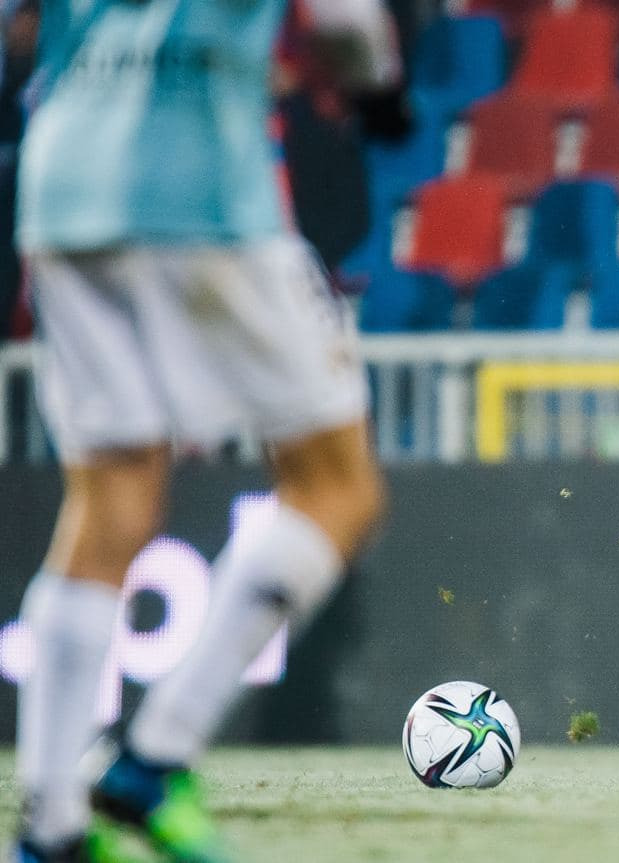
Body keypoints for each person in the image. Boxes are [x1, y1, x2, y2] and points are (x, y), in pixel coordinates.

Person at [10, 1, 410, 860]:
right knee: (336, 485)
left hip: (60, 189)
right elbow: (344, 23)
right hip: (201, 194)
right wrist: (377, 86)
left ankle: (49, 827)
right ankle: (156, 757)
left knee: (110, 498)